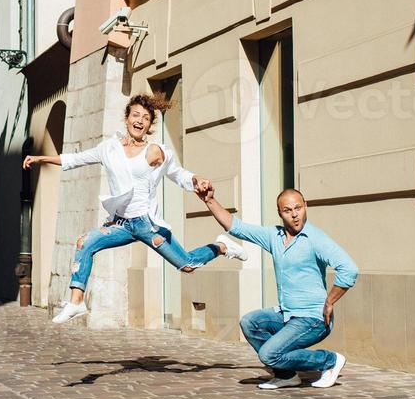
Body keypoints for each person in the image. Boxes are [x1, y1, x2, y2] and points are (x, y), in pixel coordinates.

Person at [23, 93, 247, 324]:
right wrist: (41, 159)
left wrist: (197, 179)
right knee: (84, 243)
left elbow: (178, 174)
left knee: (187, 264)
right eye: (136, 115)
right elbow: (76, 159)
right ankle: (76, 301)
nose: (140, 121)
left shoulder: (155, 151)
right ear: (127, 118)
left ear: (150, 125)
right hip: (121, 224)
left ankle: (221, 246)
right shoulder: (109, 148)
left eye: (146, 118)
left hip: (147, 225)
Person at [197, 185, 357, 389]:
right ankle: (286, 375)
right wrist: (209, 200)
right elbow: (237, 227)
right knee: (250, 322)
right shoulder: (275, 236)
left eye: (298, 208)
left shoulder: (315, 238)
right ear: (280, 213)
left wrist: (330, 301)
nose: (295, 215)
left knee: (268, 355)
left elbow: (349, 269)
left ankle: (330, 361)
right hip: (287, 314)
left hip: (313, 318)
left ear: (306, 206)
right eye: (288, 211)